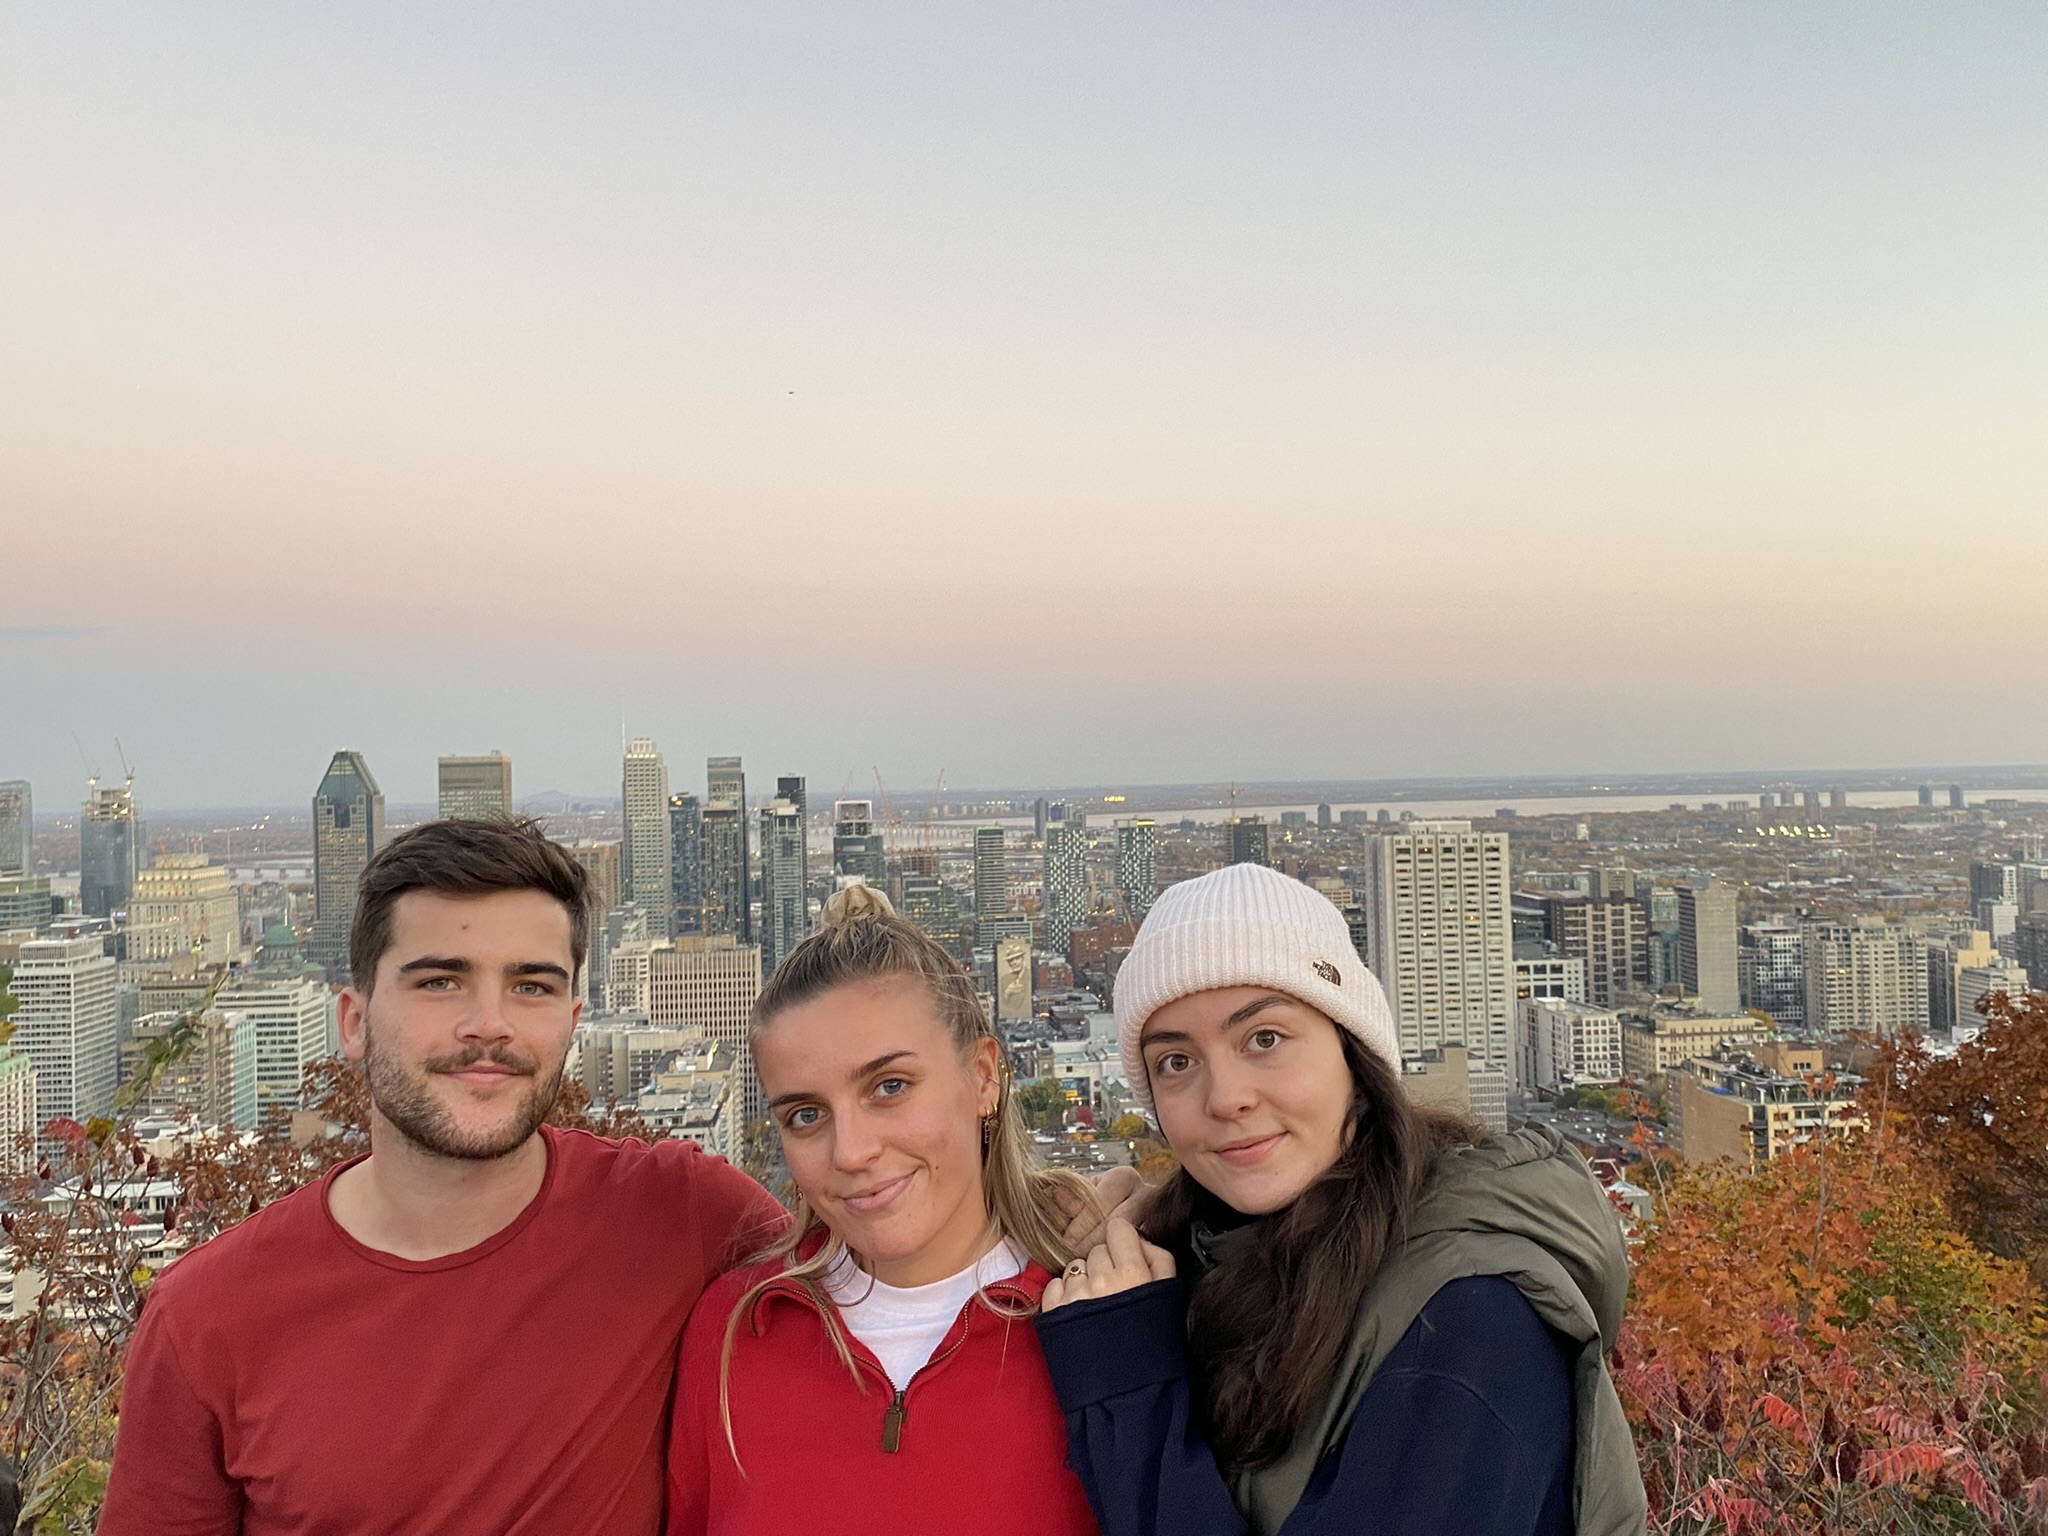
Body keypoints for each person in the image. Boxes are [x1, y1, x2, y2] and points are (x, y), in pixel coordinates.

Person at [99, 817, 786, 1536]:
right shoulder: (205, 1319)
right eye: (439, 981)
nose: (489, 1024)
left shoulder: (683, 1216)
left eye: (531, 986)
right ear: (354, 1021)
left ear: (573, 1020)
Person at [1037, 863, 1648, 1536]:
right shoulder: (1225, 1257)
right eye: (1176, 1062)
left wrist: (1126, 1385)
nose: (1225, 1097)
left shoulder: (1466, 1329)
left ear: (1355, 1061)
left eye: (1264, 1039)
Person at [666, 885, 1100, 1535]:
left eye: (889, 1087)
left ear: (983, 1077)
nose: (852, 1151)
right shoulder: (733, 1333)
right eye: (806, 1115)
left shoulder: (1096, 1326)